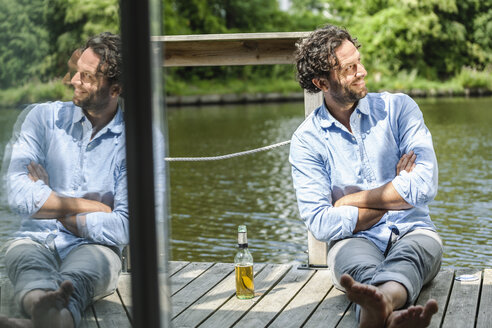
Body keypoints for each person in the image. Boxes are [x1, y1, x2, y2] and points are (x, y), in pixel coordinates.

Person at [289, 25, 443, 328]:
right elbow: (320, 222)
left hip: (414, 230)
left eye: (359, 61)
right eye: (349, 68)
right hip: (353, 239)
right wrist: (395, 195)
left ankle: (377, 308)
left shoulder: (399, 108)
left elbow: (424, 185)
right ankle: (386, 306)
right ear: (322, 83)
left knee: (413, 254)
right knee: (356, 269)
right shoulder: (307, 140)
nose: (362, 71)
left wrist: (349, 202)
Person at [0, 32, 127, 328]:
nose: (74, 81)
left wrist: (49, 198)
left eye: (86, 76)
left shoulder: (135, 140)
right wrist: (94, 207)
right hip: (34, 238)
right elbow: (18, 196)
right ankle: (43, 309)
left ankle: (39, 319)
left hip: (97, 246)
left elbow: (126, 225)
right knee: (27, 263)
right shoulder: (41, 118)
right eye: (76, 71)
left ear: (115, 89)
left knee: (81, 276)